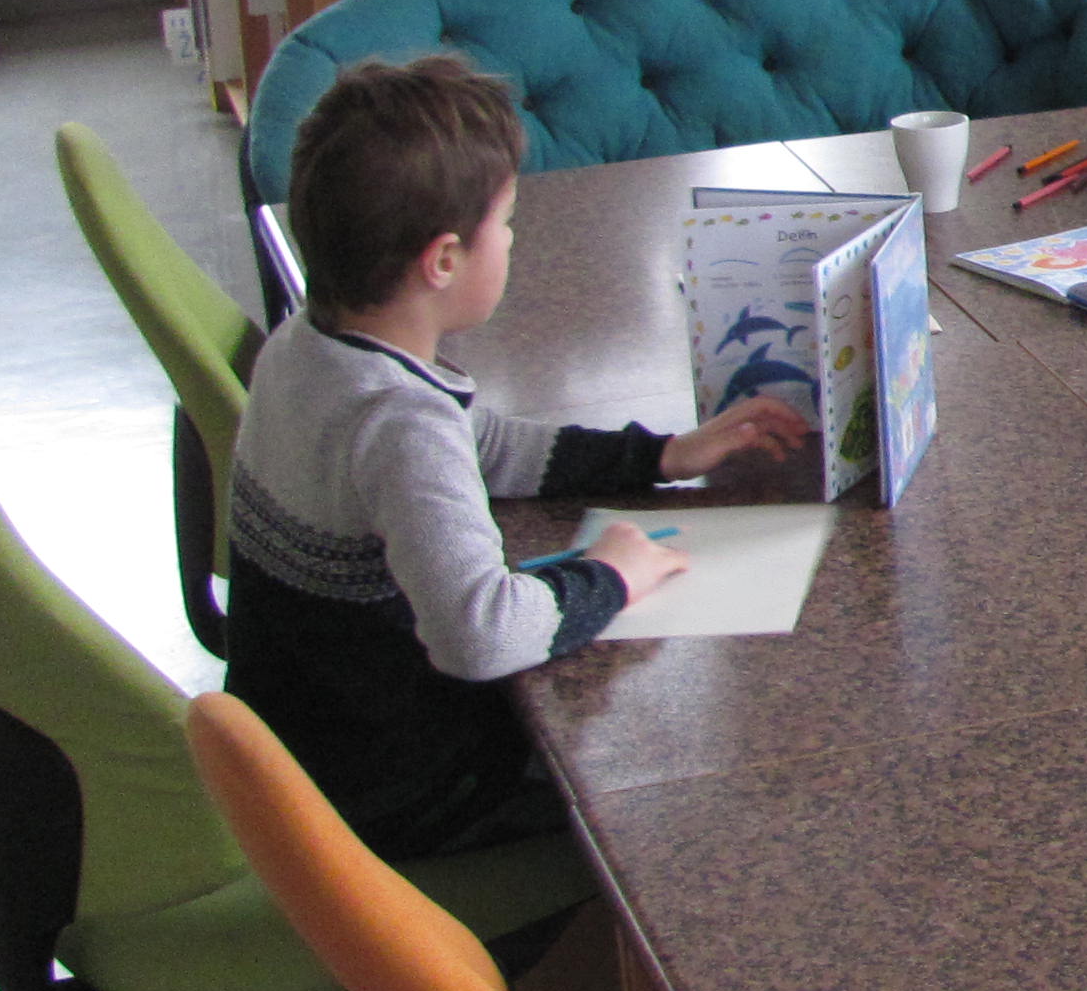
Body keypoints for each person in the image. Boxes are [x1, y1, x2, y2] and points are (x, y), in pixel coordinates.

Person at [226, 56, 806, 862]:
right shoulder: (399, 422)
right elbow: (481, 635)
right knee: (692, 793)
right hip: (394, 799)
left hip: (305, 755)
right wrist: (611, 576)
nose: (511, 239)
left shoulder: (310, 346)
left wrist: (665, 454)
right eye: (505, 224)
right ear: (443, 260)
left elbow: (485, 445)